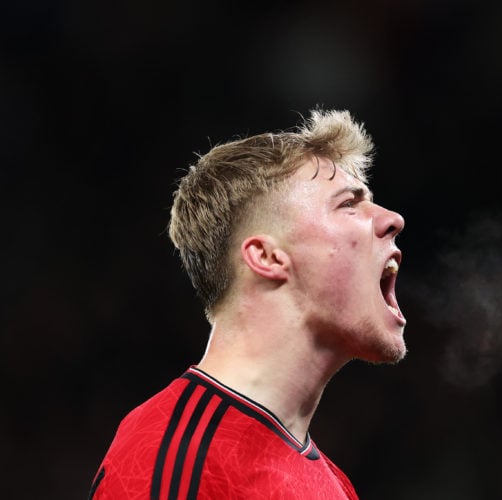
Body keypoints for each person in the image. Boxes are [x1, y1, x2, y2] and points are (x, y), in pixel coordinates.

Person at [89, 109, 407, 499]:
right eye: (348, 204)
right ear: (267, 258)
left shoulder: (335, 486)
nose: (393, 219)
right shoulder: (182, 454)